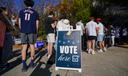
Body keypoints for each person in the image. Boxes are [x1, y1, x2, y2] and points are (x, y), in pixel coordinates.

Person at [19, 0, 39, 72]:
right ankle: (31, 63)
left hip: (23, 31)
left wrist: (22, 30)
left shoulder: (21, 11)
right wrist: (36, 32)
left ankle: (24, 65)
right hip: (32, 30)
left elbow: (20, 23)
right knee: (32, 46)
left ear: (26, 4)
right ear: (32, 5)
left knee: (24, 47)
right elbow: (37, 24)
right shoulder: (35, 13)